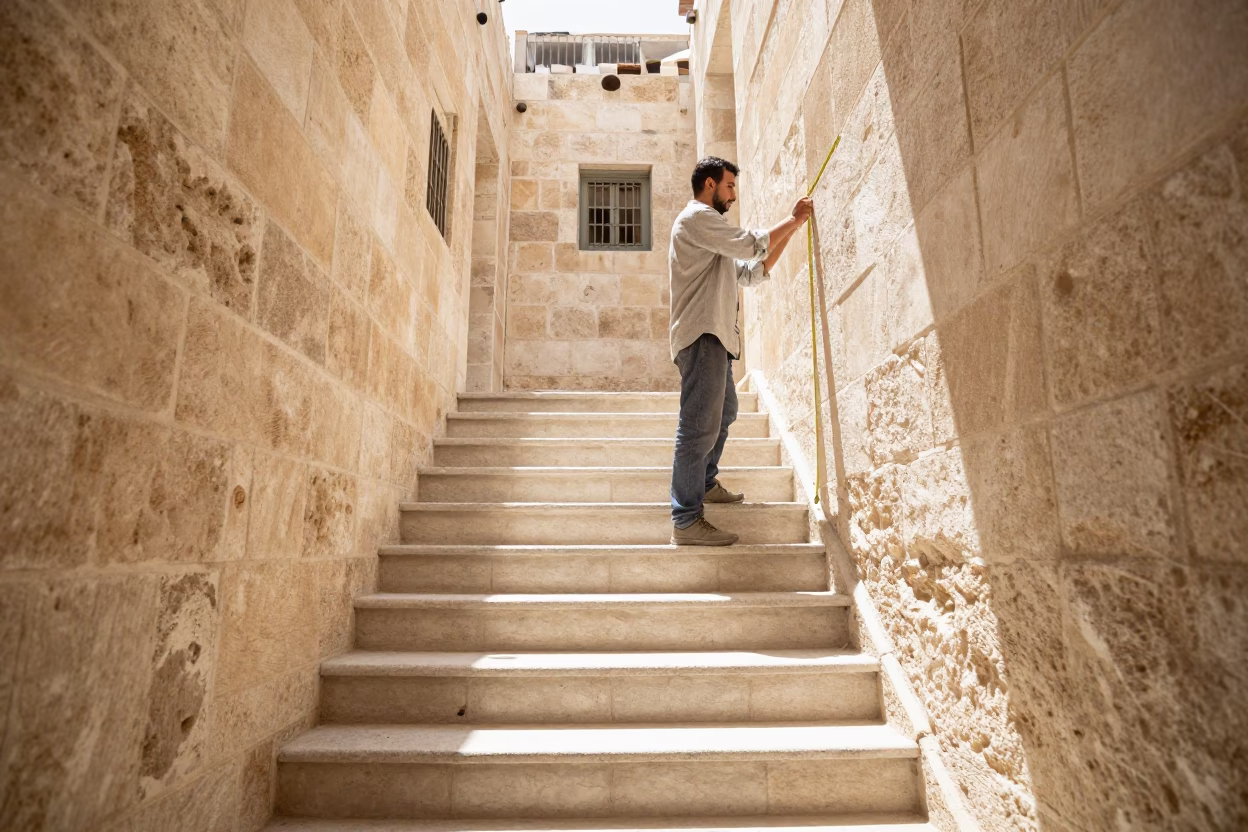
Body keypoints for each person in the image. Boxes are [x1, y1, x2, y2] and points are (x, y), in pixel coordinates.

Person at [667, 157, 813, 546]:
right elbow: (750, 244)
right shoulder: (697, 218)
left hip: (716, 338)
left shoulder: (712, 241)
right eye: (729, 186)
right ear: (710, 184)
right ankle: (685, 519)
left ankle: (705, 480)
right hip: (702, 335)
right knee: (698, 426)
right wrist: (791, 219)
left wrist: (791, 231)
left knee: (726, 411)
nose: (733, 195)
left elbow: (750, 273)